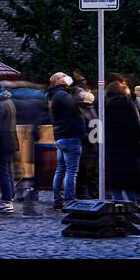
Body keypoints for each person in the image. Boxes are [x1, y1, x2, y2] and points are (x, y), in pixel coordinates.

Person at [47, 72, 85, 209]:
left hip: (61, 136)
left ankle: (58, 200)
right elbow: (74, 108)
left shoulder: (54, 95)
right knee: (71, 170)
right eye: (63, 75)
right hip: (70, 136)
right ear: (57, 80)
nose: (66, 76)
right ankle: (70, 200)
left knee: (61, 170)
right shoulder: (62, 95)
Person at [105, 80, 140, 204]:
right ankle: (134, 202)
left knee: (116, 175)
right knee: (132, 174)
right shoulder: (126, 102)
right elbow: (134, 124)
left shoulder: (106, 103)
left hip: (113, 144)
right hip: (130, 144)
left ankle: (118, 201)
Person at [0, 88, 19, 213]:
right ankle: (10, 197)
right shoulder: (9, 101)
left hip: (1, 142)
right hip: (10, 140)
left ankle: (6, 202)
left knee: (2, 172)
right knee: (8, 171)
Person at [75, 88, 99, 200]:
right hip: (90, 144)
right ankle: (85, 194)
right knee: (86, 172)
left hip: (91, 143)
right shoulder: (89, 110)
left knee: (89, 171)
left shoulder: (86, 109)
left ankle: (88, 193)